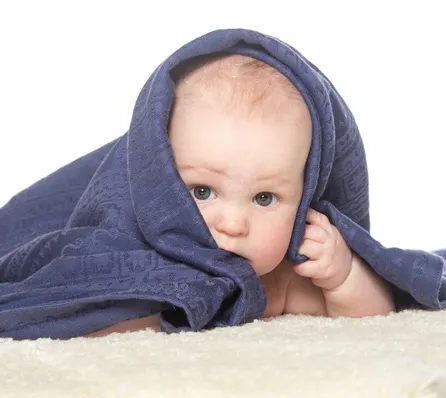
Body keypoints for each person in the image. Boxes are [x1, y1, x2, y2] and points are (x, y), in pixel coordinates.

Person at [84, 54, 394, 338]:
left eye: (264, 198)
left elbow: (373, 323)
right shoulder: (127, 258)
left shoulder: (281, 279)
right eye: (202, 192)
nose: (233, 225)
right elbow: (73, 315)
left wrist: (344, 277)